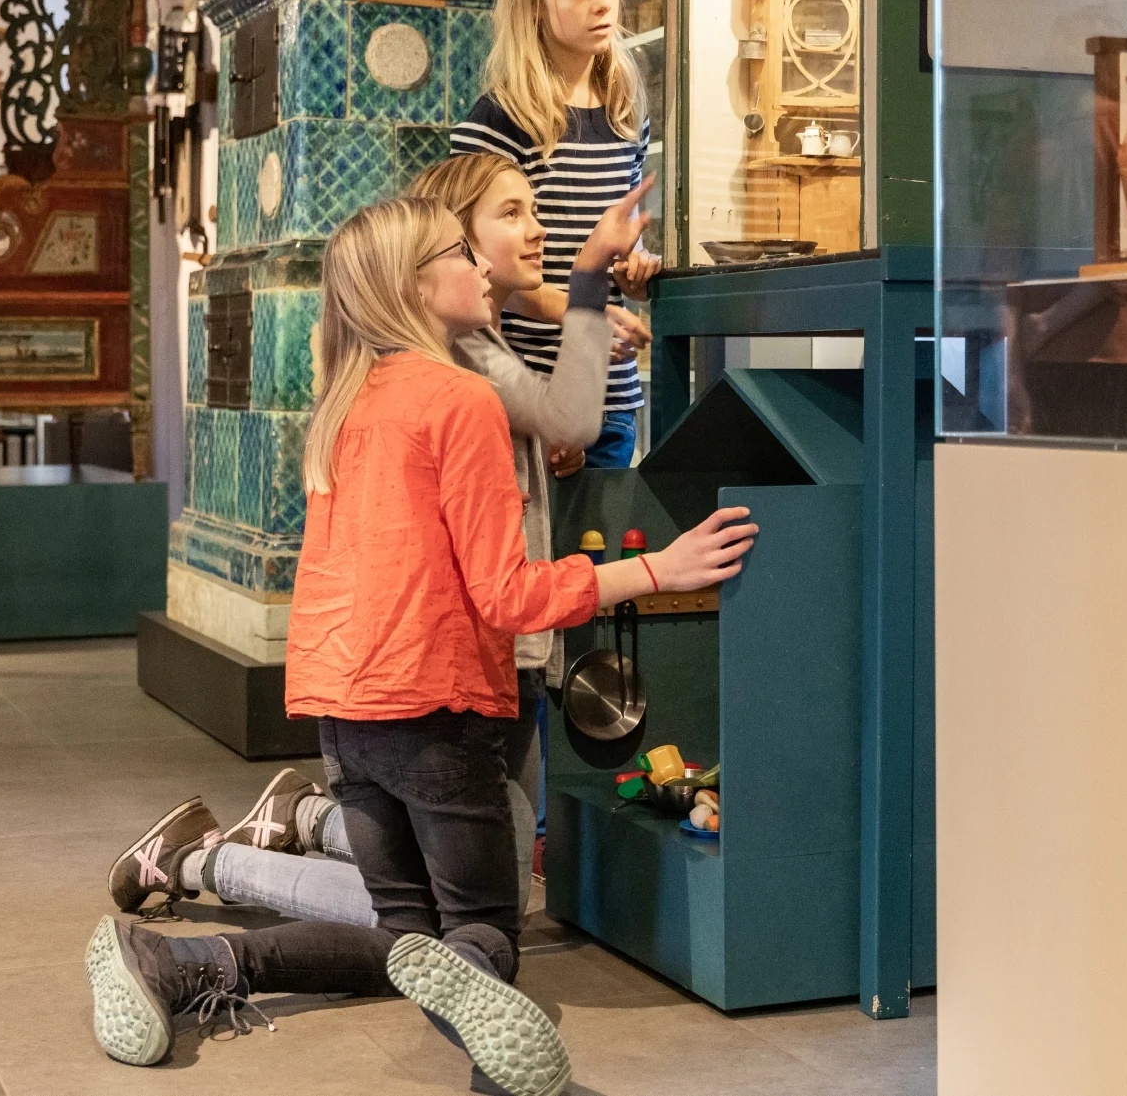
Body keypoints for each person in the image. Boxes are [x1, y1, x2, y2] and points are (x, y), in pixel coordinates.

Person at [85, 197, 756, 1096]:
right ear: (415, 283)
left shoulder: (345, 402)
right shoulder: (461, 399)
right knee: (483, 931)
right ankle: (497, 1057)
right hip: (436, 711)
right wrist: (659, 570)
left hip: (341, 714)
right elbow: (508, 595)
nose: (481, 265)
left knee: (399, 940)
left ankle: (183, 963)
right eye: (459, 252)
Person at [110, 155, 649, 927]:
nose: (534, 230)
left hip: (388, 682)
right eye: (505, 217)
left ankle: (291, 825)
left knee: (452, 873)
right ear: (426, 266)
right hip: (445, 673)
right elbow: (568, 422)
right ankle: (215, 857)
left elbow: (551, 430)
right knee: (462, 898)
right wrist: (590, 278)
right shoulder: (455, 370)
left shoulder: (396, 371)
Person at [451, 0, 662, 474]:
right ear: (533, 4)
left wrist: (632, 269)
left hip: (613, 398)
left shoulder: (626, 109)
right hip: (534, 397)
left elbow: (614, 237)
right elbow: (478, 272)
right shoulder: (496, 122)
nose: (605, 3)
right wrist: (585, 312)